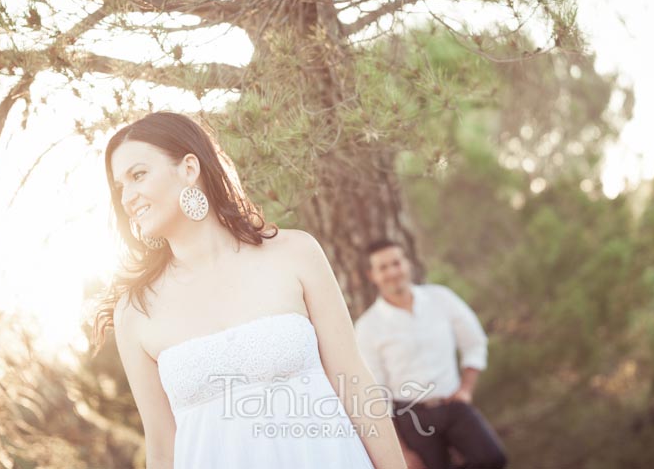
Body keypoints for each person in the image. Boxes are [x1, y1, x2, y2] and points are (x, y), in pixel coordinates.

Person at [91, 111, 406, 469]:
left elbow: (354, 383)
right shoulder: (135, 312)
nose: (128, 196)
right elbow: (163, 450)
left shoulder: (295, 253)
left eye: (138, 175)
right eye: (120, 187)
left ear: (189, 169)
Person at [355, 239, 507, 469]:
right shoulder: (367, 327)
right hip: (412, 418)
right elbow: (377, 396)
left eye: (396, 263)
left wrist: (466, 389)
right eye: (383, 268)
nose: (392, 272)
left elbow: (474, 342)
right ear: (372, 275)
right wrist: (402, 452)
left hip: (452, 404)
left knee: (493, 458)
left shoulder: (441, 298)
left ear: (407, 263)